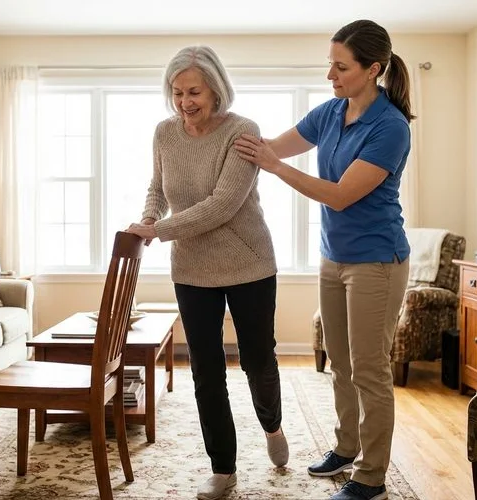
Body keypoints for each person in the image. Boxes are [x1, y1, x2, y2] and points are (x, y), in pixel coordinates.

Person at [233, 19, 412, 500]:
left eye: (341, 66)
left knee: (369, 369)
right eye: (329, 64)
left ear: (373, 69)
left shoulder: (390, 128)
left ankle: (371, 477)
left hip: (376, 260)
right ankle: (346, 448)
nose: (330, 74)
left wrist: (274, 167)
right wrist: (229, 141)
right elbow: (271, 147)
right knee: (338, 361)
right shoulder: (330, 112)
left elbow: (338, 196)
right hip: (333, 257)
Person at [126, 45, 288, 500]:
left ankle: (272, 425)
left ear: (215, 88)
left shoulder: (243, 131)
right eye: (176, 92)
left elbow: (222, 204)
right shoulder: (164, 133)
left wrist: (157, 229)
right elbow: (157, 188)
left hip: (249, 262)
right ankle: (223, 468)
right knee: (205, 369)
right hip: (192, 269)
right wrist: (147, 219)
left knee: (258, 359)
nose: (184, 101)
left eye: (193, 91)